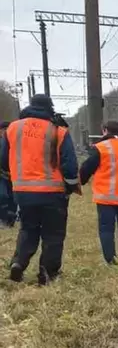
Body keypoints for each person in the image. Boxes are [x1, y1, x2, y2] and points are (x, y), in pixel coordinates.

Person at [0, 94, 81, 285]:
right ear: (50, 108)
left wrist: (14, 177)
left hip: (22, 192)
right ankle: (47, 274)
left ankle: (18, 263)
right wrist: (70, 186)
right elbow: (69, 164)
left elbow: (3, 158)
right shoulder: (58, 130)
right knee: (53, 233)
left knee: (28, 228)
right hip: (52, 192)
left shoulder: (13, 128)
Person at [79, 120, 118, 264]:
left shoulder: (101, 148)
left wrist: (80, 182)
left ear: (105, 131)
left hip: (106, 197)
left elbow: (86, 169)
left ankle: (110, 260)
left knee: (106, 229)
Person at [0, 121, 17, 227]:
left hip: (12, 174)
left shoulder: (15, 142)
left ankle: (10, 219)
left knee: (13, 198)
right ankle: (3, 218)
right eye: (3, 129)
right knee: (3, 196)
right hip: (2, 175)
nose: (6, 132)